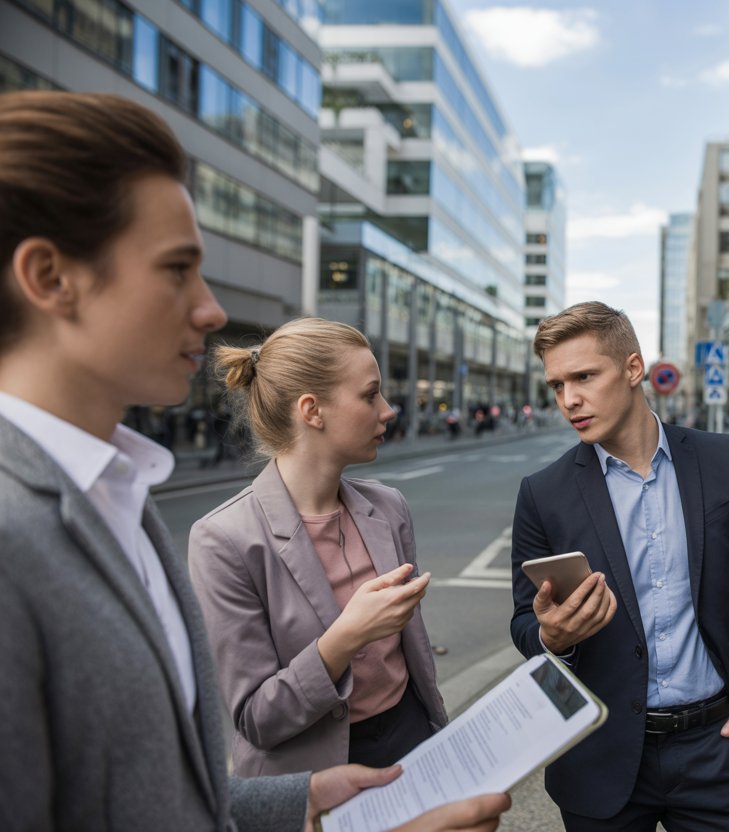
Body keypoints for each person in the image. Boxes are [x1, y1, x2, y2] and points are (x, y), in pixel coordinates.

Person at [0, 89, 507, 832]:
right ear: (50, 278)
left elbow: (157, 794)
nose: (209, 310)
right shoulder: (21, 537)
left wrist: (297, 804)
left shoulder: (122, 500)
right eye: (178, 269)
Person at [509, 301, 729, 830]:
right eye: (557, 386)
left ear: (633, 369)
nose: (570, 400)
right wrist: (553, 637)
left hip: (716, 746)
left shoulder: (722, 458)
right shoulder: (543, 493)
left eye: (584, 377)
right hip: (598, 753)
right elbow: (524, 624)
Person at [189, 318, 447, 775]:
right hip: (309, 774)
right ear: (312, 411)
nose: (387, 410)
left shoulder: (388, 508)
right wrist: (346, 638)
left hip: (413, 743)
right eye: (370, 395)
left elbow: (414, 658)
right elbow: (256, 719)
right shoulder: (224, 539)